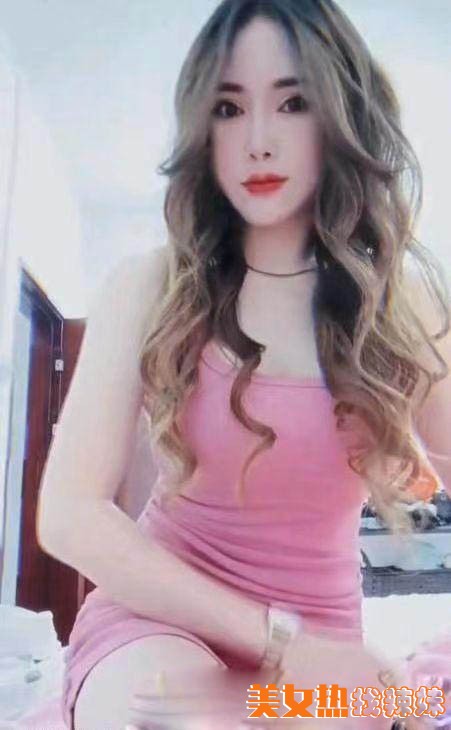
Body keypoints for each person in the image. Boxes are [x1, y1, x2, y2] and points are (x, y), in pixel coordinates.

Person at [36, 1, 451, 729]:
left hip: (324, 644)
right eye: (229, 109)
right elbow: (69, 516)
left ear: (340, 117)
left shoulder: (403, 306)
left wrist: (328, 662)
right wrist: (277, 639)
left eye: (292, 103)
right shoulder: (150, 284)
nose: (258, 141)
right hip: (160, 623)